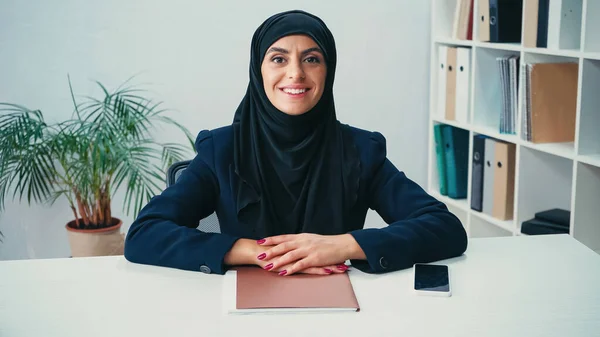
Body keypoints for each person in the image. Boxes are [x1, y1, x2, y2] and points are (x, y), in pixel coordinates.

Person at [124, 9, 468, 277]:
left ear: (327, 71)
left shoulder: (361, 151)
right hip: (240, 313)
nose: (296, 73)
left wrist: (340, 246)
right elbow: (144, 234)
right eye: (278, 58)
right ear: (258, 71)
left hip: (342, 309)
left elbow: (444, 228)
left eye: (311, 59)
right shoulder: (222, 150)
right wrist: (255, 253)